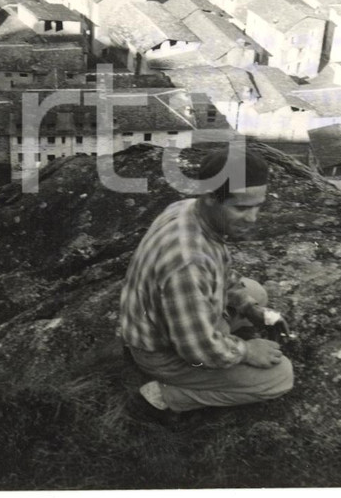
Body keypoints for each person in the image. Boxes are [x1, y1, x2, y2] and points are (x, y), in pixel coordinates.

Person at [119, 146, 293, 423]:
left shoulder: (188, 208)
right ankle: (163, 396)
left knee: (255, 294)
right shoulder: (187, 262)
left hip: (160, 323)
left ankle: (235, 328)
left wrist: (250, 309)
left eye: (258, 206)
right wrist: (248, 351)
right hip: (163, 353)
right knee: (280, 377)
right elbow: (197, 349)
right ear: (211, 197)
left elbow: (222, 275)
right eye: (241, 208)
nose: (253, 218)